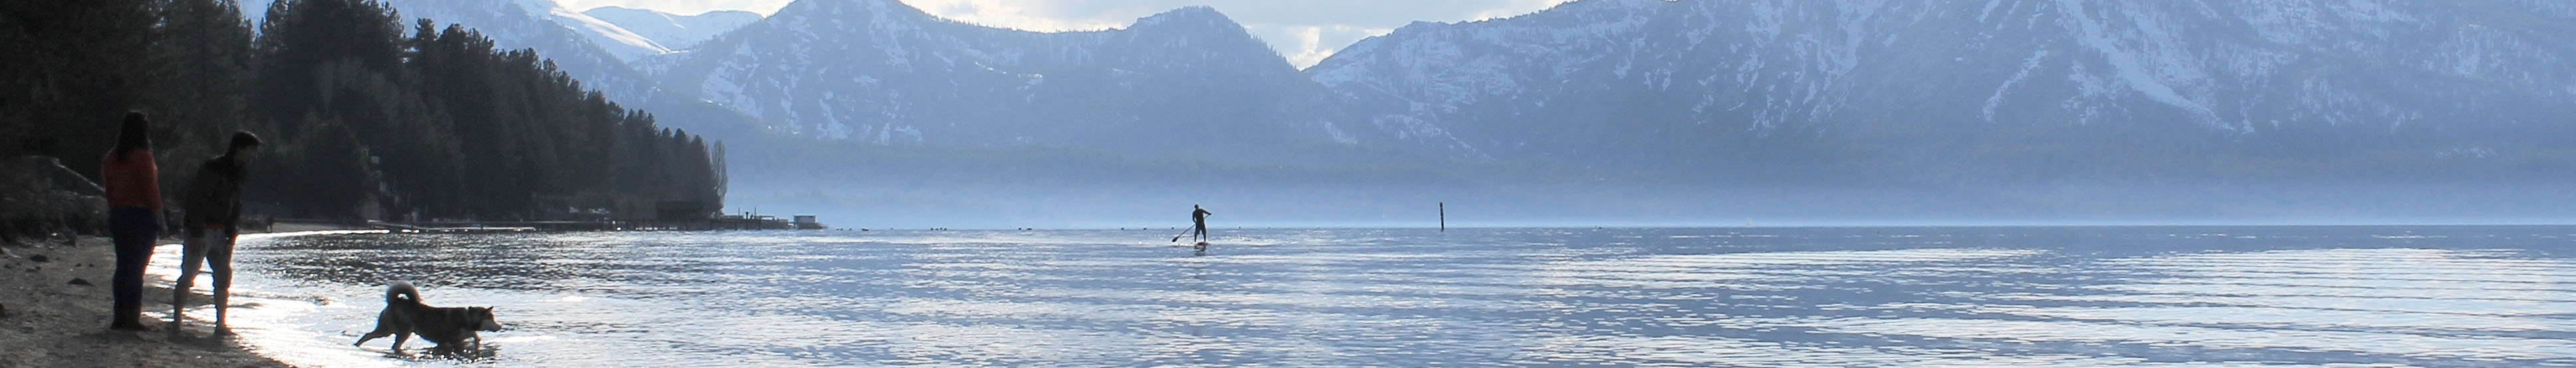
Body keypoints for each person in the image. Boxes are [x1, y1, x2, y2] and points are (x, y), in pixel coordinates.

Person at [173, 131, 259, 332]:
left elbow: (235, 204)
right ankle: (177, 320)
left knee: (223, 277)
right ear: (240, 149)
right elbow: (197, 199)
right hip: (202, 230)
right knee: (188, 275)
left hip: (222, 231)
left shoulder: (240, 172)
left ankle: (221, 323)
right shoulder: (212, 168)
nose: (254, 155)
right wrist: (197, 231)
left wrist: (231, 233)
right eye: (252, 151)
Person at [100, 111, 162, 331]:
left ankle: (119, 316)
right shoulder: (143, 157)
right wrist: (160, 217)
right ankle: (132, 317)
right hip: (141, 216)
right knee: (137, 268)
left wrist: (115, 208)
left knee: (123, 266)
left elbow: (109, 190)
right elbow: (150, 190)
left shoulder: (111, 158)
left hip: (119, 214)